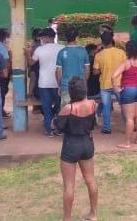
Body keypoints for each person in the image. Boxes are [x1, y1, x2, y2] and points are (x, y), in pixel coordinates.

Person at [56, 76, 98, 221]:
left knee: (69, 184)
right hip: (87, 143)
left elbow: (57, 127)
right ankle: (93, 214)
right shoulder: (93, 104)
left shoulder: (68, 108)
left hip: (71, 146)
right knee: (90, 180)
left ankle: (66, 219)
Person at [93, 31, 127, 134]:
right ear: (112, 40)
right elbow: (125, 67)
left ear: (102, 42)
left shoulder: (99, 55)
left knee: (106, 107)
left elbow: (95, 72)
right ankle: (128, 125)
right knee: (124, 106)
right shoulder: (121, 52)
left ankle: (107, 128)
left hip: (105, 84)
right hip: (119, 83)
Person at [33, 28, 64, 137]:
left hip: (43, 83)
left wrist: (27, 54)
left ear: (45, 37)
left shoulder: (39, 50)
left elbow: (31, 62)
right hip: (58, 82)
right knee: (60, 106)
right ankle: (59, 128)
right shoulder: (62, 48)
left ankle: (49, 130)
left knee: (46, 107)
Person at [57, 27, 91, 107]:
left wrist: (59, 85)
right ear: (77, 37)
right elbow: (87, 70)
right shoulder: (83, 51)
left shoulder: (61, 52)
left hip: (66, 86)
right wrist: (84, 82)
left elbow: (58, 71)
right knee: (81, 112)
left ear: (66, 37)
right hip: (80, 87)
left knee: (66, 113)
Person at [0, 28, 12, 118]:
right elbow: (7, 62)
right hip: (1, 75)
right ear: (3, 37)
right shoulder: (1, 47)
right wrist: (8, 74)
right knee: (2, 93)